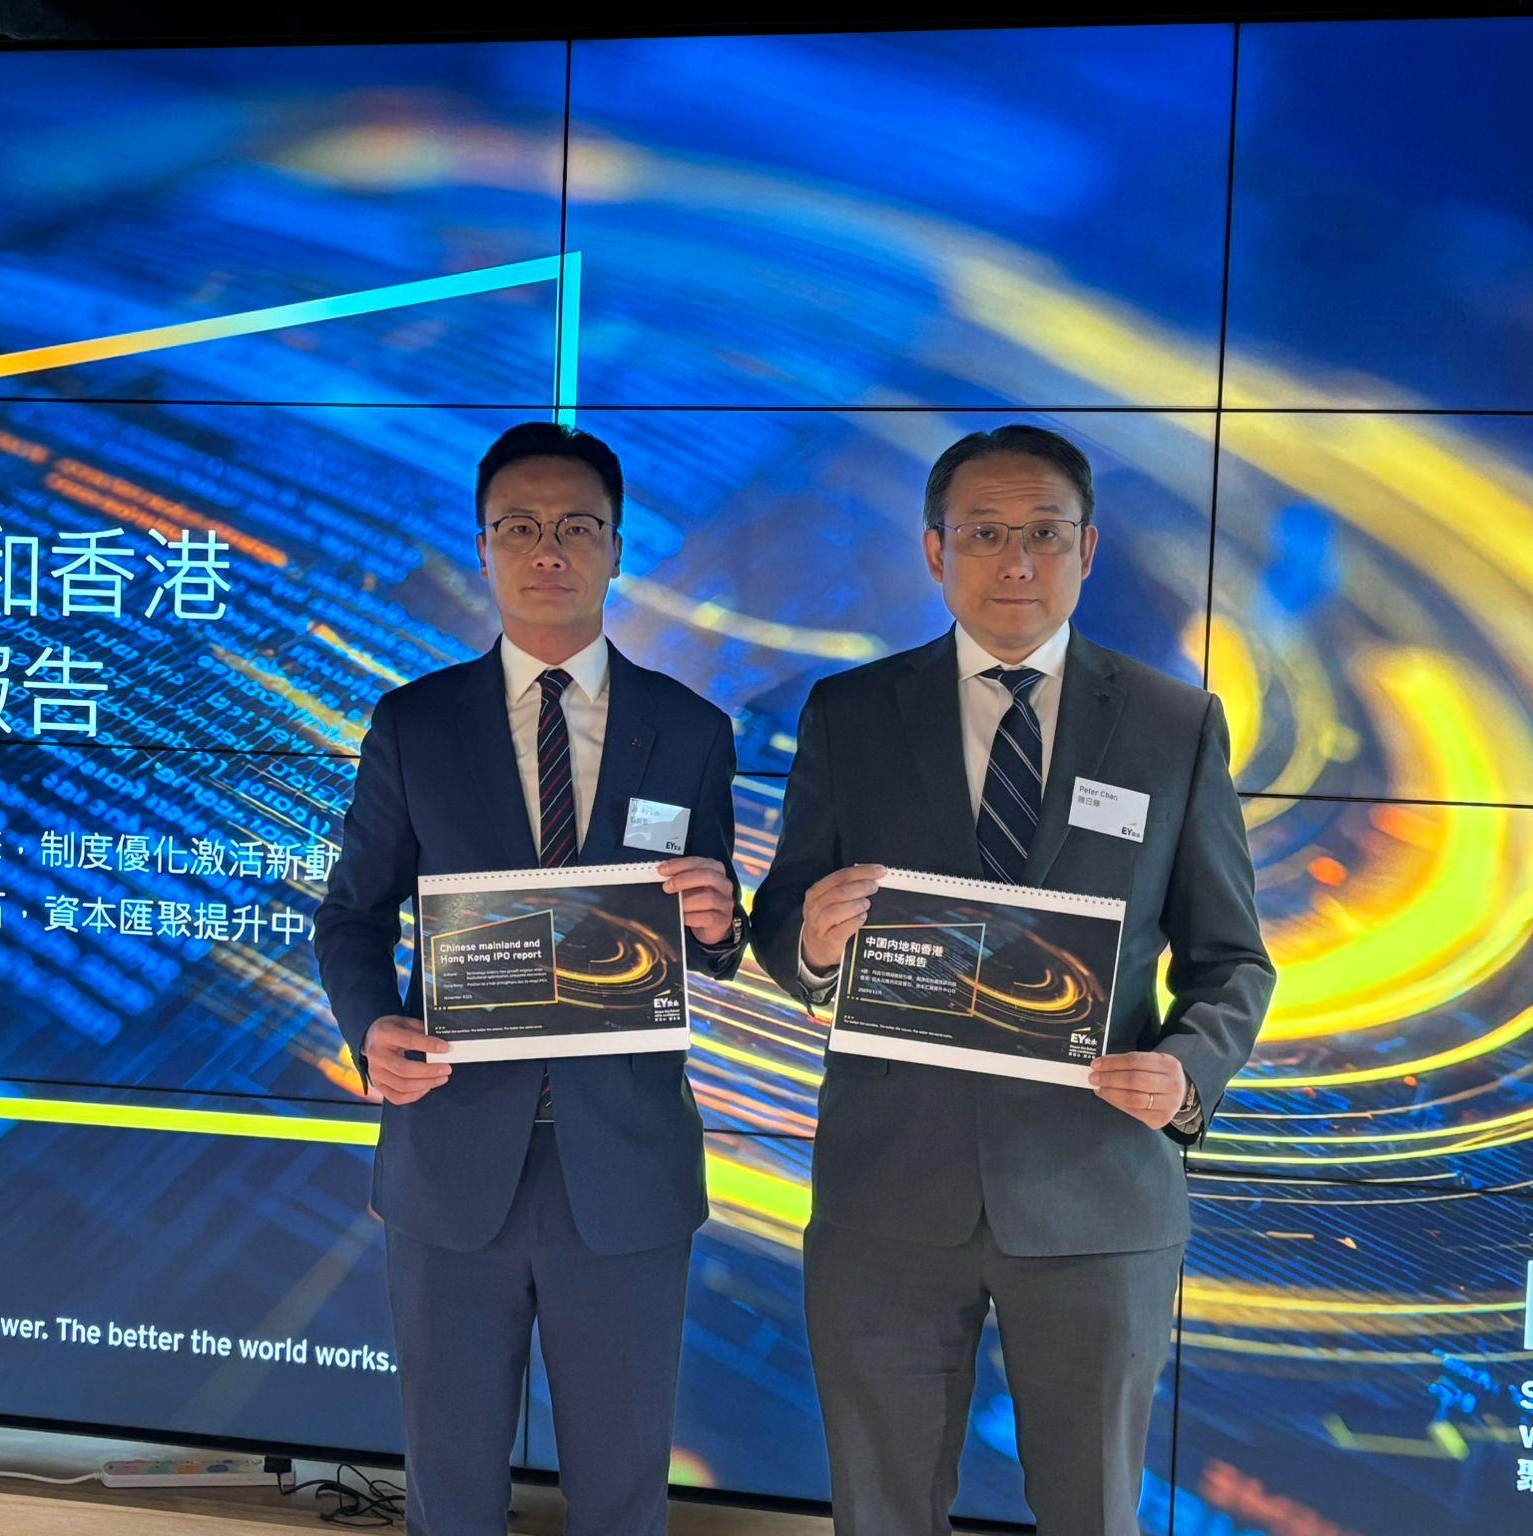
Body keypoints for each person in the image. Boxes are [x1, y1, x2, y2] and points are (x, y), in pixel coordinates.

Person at [751, 424, 1274, 1536]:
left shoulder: (1172, 724)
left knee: (1091, 1513)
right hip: (887, 1191)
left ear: (1087, 550)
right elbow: (782, 917)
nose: (1016, 561)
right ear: (934, 551)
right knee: (881, 1512)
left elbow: (1232, 958)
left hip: (1095, 1191)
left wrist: (1185, 1073)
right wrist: (813, 946)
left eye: (1044, 533)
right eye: (984, 533)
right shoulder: (850, 711)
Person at [314, 421, 749, 1536]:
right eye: (518, 527)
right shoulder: (414, 722)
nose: (546, 549)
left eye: (575, 527)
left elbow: (710, 928)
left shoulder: (690, 729)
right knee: (450, 1485)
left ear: (616, 549)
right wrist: (371, 1027)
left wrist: (717, 925)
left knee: (621, 1490)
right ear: (483, 549)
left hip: (627, 1164)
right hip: (452, 1154)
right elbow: (352, 914)